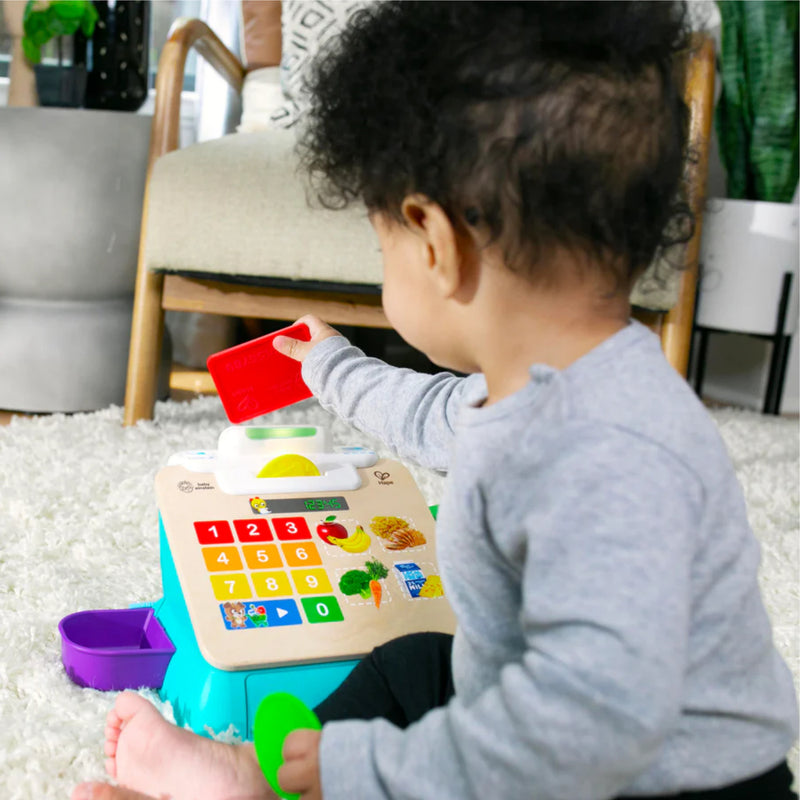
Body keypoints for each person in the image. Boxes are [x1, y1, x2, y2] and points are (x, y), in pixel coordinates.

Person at [73, 2, 798, 799]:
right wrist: (332, 368)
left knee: (419, 747)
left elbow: (589, 731)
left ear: (435, 244)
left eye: (382, 246)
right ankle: (254, 776)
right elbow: (429, 417)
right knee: (413, 661)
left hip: (655, 777)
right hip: (540, 713)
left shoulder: (611, 457)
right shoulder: (536, 384)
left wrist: (373, 772)